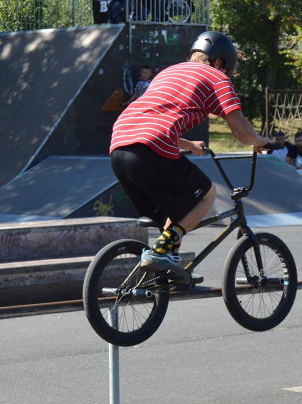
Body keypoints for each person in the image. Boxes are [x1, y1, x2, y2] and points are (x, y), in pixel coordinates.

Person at [109, 30, 271, 276]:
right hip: (151, 149)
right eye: (226, 68)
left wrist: (189, 145)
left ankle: (168, 266)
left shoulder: (169, 72)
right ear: (220, 62)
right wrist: (259, 141)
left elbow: (153, 119)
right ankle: (162, 250)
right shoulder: (217, 77)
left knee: (177, 210)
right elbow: (241, 129)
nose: (226, 74)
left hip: (120, 145)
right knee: (207, 195)